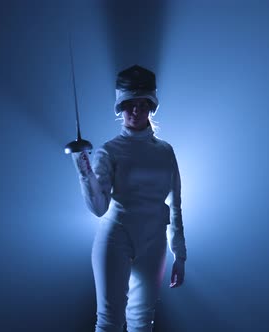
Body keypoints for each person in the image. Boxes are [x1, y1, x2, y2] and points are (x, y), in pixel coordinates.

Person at [71, 65, 187, 332]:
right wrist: (82, 166)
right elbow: (99, 208)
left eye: (142, 103)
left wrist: (179, 255)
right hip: (115, 238)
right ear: (120, 106)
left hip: (153, 241)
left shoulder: (166, 151)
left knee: (142, 322)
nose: (135, 110)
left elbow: (176, 205)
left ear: (151, 105)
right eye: (129, 104)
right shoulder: (109, 151)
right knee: (109, 321)